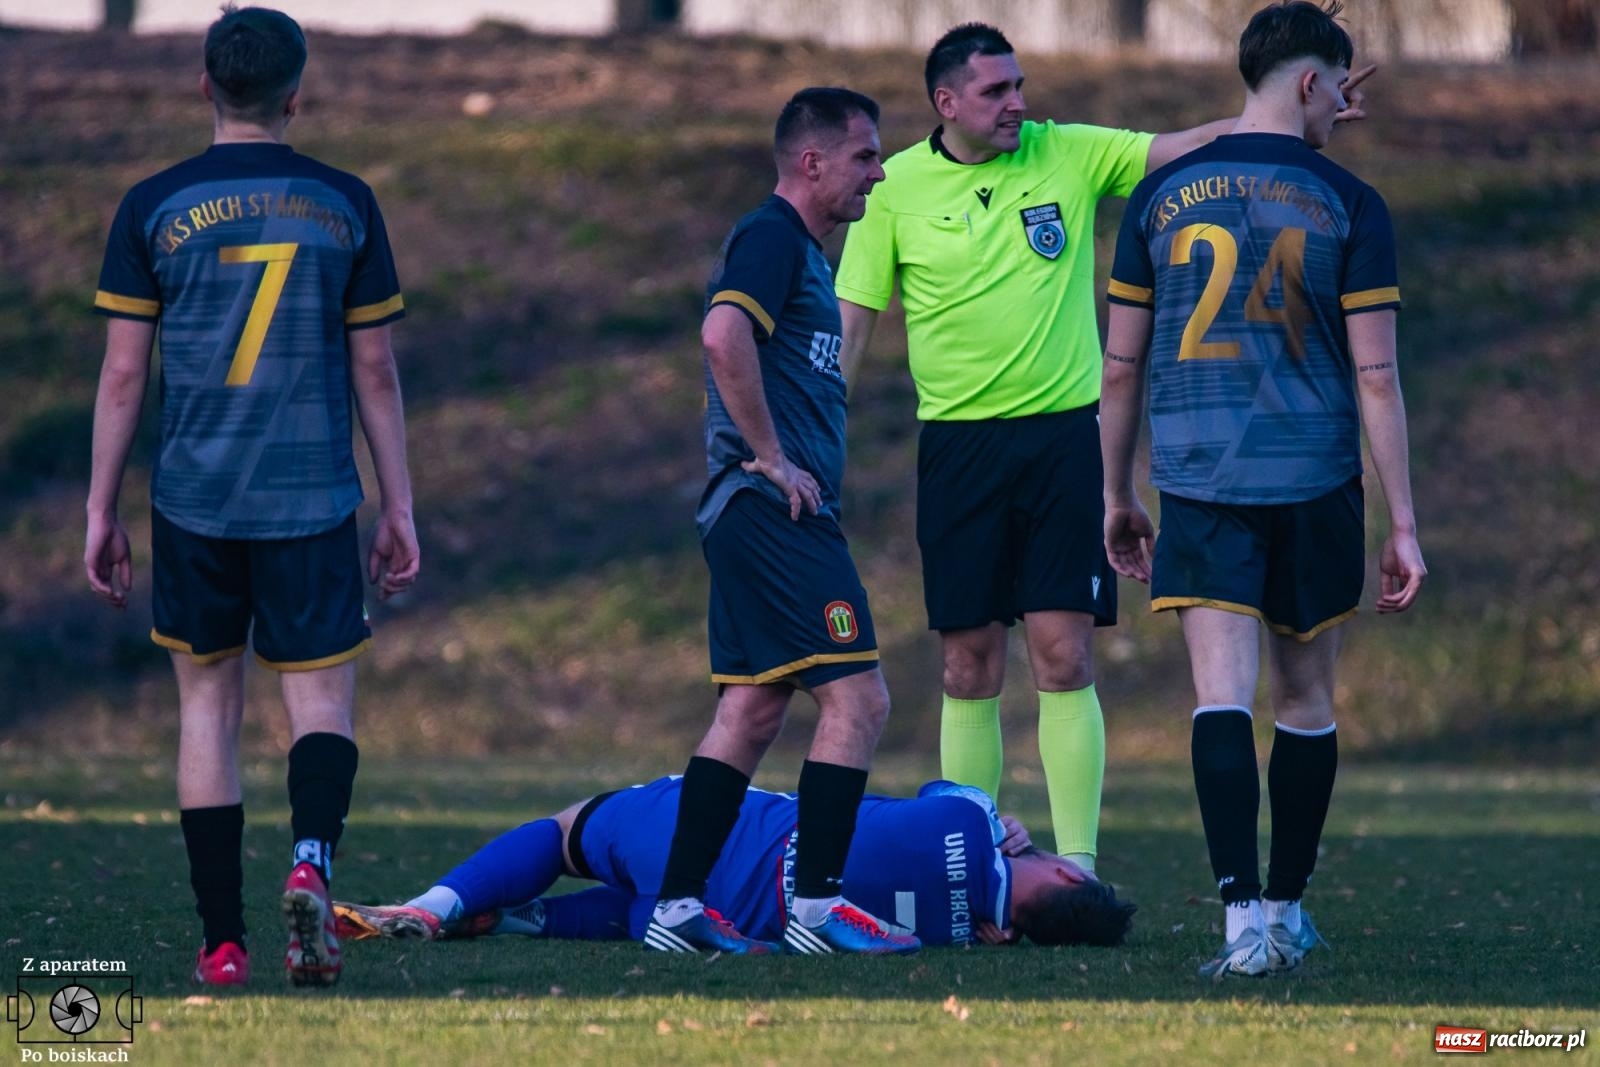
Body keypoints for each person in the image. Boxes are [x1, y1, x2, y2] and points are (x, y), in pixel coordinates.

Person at [834, 23, 1371, 876]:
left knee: (1063, 651)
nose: (1018, 103)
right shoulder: (892, 188)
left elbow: (1190, 143)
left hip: (1063, 442)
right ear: (946, 103)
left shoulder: (1068, 154)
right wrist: (823, 440)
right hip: (957, 450)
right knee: (969, 660)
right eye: (995, 92)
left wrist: (1309, 111)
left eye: (1020, 86)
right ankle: (970, 860)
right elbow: (853, 322)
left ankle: (1077, 862)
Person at [84, 5, 419, 988]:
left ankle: (222, 940)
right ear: (295, 93)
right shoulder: (344, 200)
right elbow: (377, 369)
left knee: (206, 709)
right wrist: (397, 501)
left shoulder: (152, 203)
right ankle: (311, 857)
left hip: (194, 497)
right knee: (318, 699)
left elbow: (119, 376)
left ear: (205, 86)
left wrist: (101, 507)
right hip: (313, 493)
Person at [1098, 0, 1424, 978]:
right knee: (1305, 698)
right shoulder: (1350, 203)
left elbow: (1118, 367)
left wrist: (1115, 490)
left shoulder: (1158, 199)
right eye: (1336, 86)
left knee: (1218, 696)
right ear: (1312, 82)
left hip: (1198, 475)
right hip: (1314, 473)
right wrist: (1402, 519)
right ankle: (1284, 907)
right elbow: (1375, 375)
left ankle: (1239, 922)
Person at [642, 88, 918, 957]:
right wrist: (770, 454)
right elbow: (723, 337)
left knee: (753, 710)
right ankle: (819, 906)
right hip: (772, 509)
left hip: (752, 512)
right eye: (866, 156)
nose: (878, 172)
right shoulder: (771, 237)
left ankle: (677, 909)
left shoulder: (803, 253)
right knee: (859, 698)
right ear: (813, 162)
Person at [330, 778, 1136, 949]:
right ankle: (516, 919)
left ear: (1068, 874)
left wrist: (1007, 834)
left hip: (715, 837)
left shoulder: (973, 816)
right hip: (727, 921)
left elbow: (934, 790)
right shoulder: (972, 940)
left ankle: (433, 904)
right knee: (635, 911)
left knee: (567, 829)